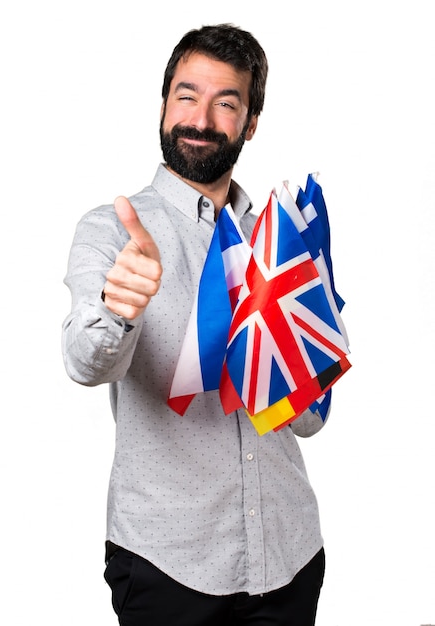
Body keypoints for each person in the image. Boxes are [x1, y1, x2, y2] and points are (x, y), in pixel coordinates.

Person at [62, 23, 328, 626]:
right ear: (163, 105)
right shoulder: (113, 230)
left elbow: (308, 421)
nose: (201, 118)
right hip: (167, 565)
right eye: (187, 95)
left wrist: (312, 339)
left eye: (226, 103)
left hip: (289, 554)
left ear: (250, 123)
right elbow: (83, 362)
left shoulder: (279, 244)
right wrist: (119, 308)